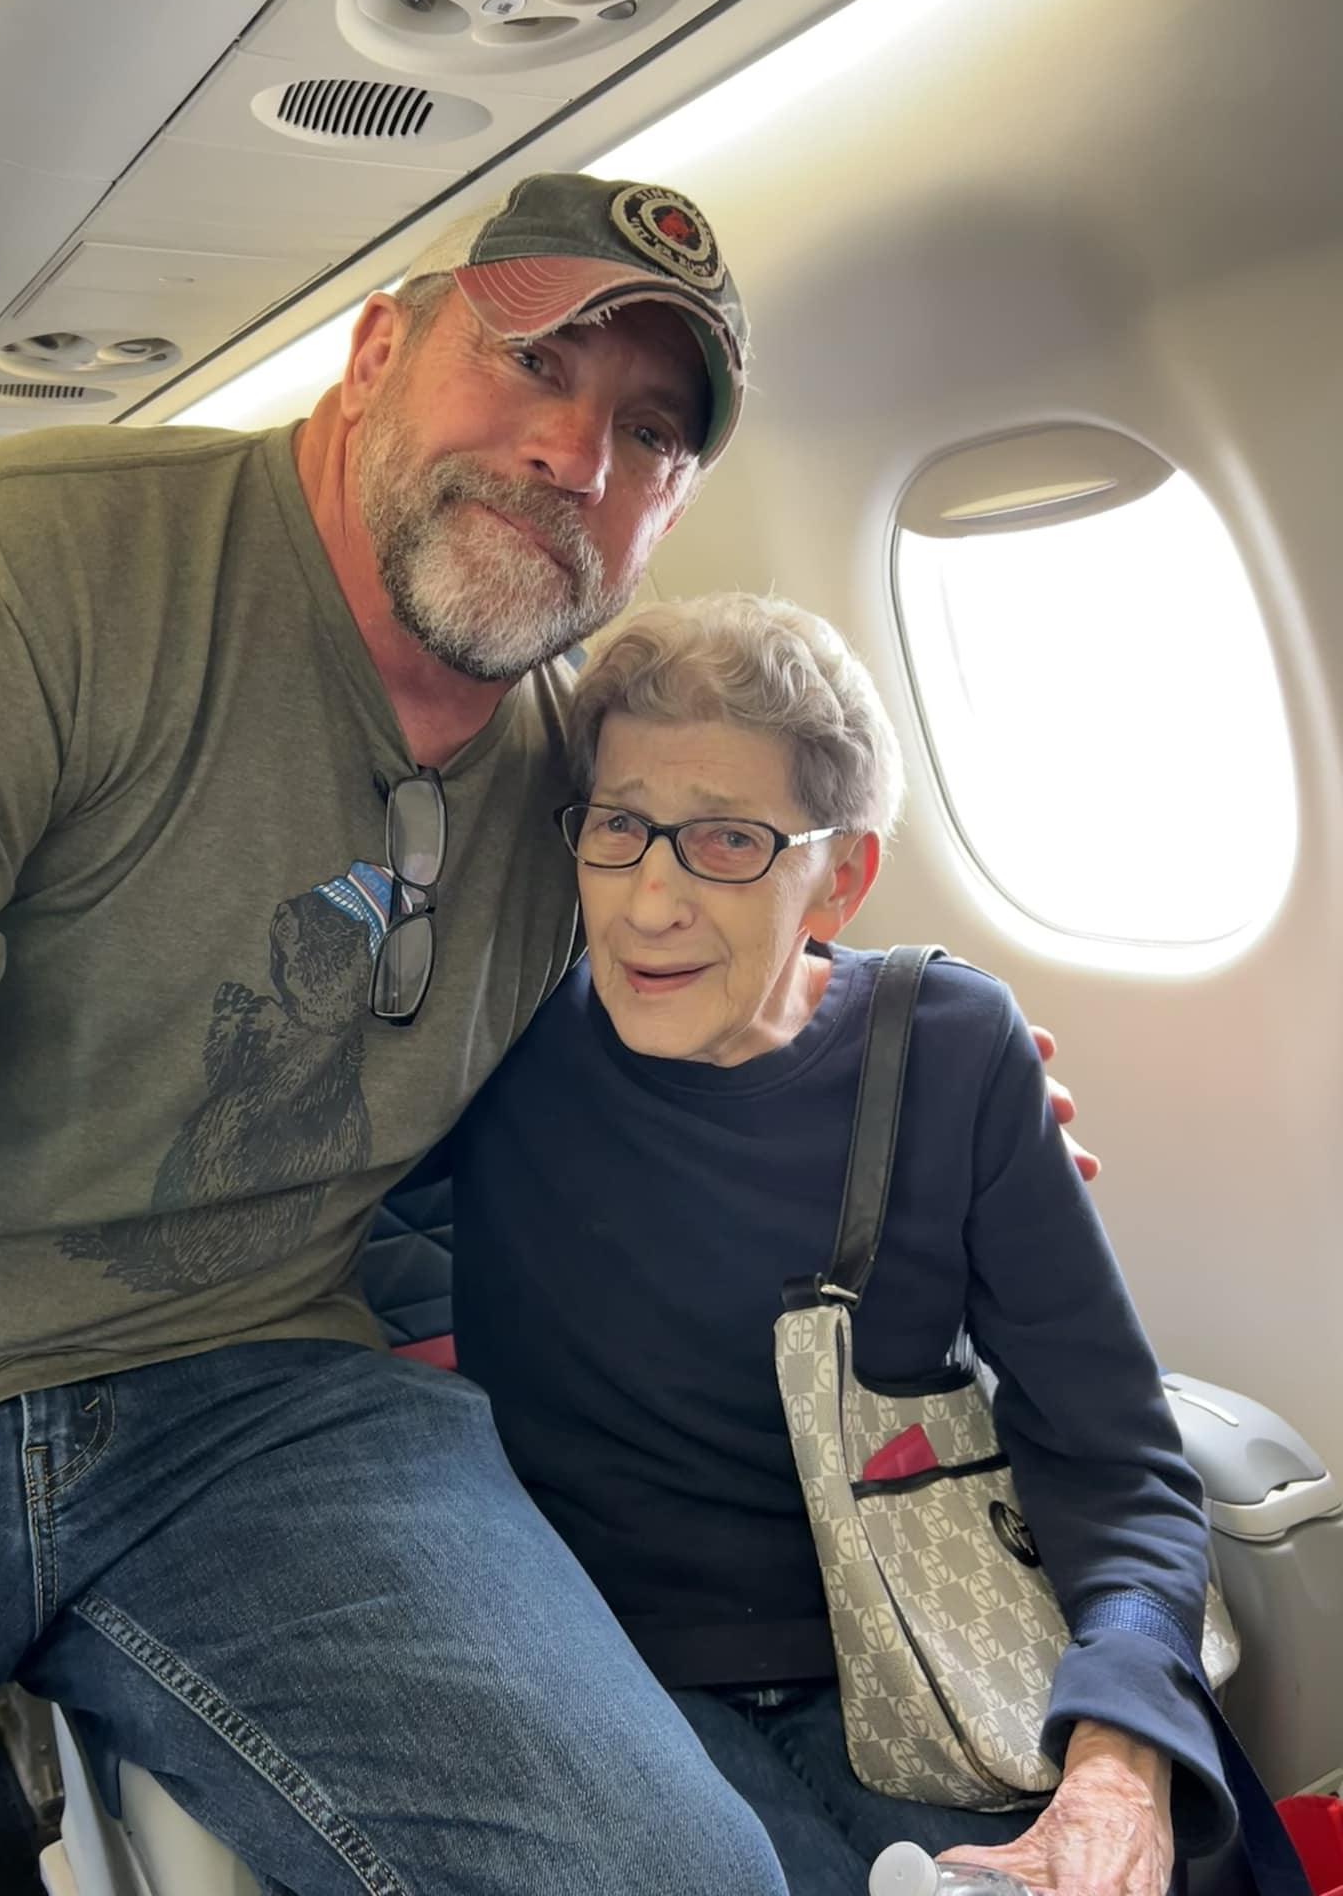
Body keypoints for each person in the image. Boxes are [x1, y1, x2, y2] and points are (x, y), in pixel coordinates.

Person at [0, 172, 1085, 1893]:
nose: (576, 453)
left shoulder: (575, 780)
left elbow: (711, 949)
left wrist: (924, 1071)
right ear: (372, 357)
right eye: (533, 361)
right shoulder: (9, 565)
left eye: (649, 431)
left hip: (257, 1396)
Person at [450, 591, 1233, 1896]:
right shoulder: (490, 1048)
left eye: (728, 842)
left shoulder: (951, 1051)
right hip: (614, 1671)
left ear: (844, 877)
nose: (649, 902)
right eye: (620, 827)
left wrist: (1119, 1764)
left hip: (923, 1653)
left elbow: (1115, 1457)